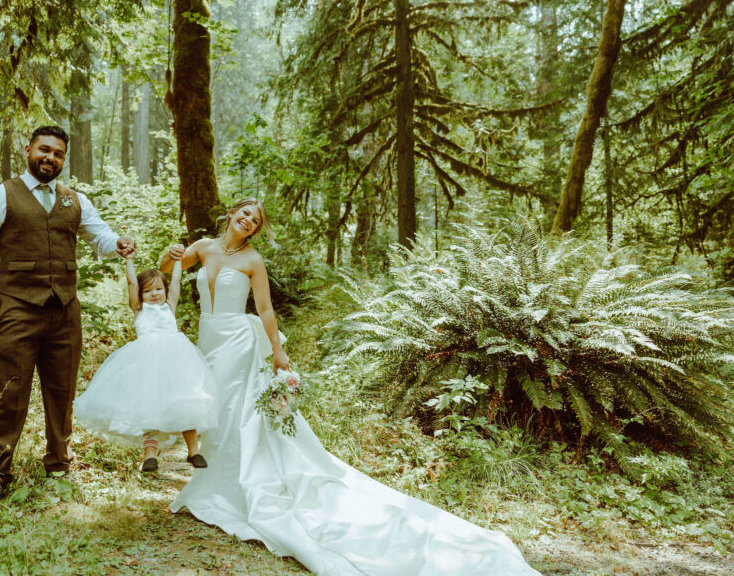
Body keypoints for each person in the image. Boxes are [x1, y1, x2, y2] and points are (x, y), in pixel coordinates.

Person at [160, 198, 538, 576]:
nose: (248, 221)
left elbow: (265, 310)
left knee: (234, 411)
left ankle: (228, 487)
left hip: (240, 343)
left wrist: (278, 353)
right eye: (244, 214)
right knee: (214, 408)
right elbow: (166, 270)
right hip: (208, 340)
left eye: (255, 220)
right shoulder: (203, 248)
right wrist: (169, 253)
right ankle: (212, 484)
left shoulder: (252, 260)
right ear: (231, 214)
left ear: (257, 229)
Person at [0, 125, 135, 497]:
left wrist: (115, 242)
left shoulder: (75, 200)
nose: (50, 158)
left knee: (61, 392)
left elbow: (98, 236)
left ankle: (59, 466)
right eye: (44, 150)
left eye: (58, 154)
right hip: (18, 310)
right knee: (10, 392)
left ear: (63, 160)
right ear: (28, 150)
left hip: (65, 312)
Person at [73, 249, 218, 473]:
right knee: (150, 408)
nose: (154, 294)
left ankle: (193, 451)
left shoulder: (169, 306)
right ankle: (150, 455)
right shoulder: (139, 310)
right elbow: (131, 282)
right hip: (147, 365)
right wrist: (129, 260)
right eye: (148, 290)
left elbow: (177, 280)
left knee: (185, 403)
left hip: (176, 362)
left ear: (165, 290)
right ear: (140, 295)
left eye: (159, 289)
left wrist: (178, 261)